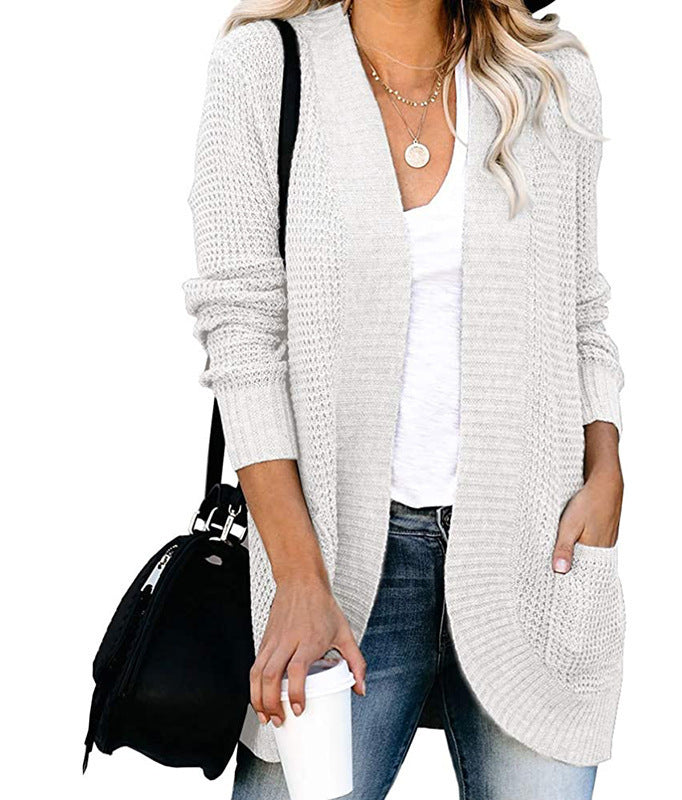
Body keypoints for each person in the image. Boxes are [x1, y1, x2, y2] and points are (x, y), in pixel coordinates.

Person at [183, 0, 625, 797]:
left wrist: (607, 463)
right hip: (333, 566)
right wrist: (297, 574)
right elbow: (241, 336)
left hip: (535, 553)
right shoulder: (264, 68)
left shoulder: (550, 75)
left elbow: (581, 306)